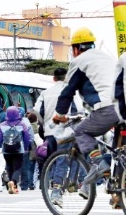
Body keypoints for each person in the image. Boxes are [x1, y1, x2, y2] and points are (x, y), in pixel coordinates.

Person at [52, 28, 120, 197]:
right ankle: (118, 193)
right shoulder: (108, 58)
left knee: (81, 131)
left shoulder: (79, 61)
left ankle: (100, 164)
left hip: (108, 109)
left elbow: (68, 91)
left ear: (76, 49)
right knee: (118, 152)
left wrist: (59, 114)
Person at [34, 67, 84, 205]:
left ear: (54, 78)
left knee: (52, 160)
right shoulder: (72, 92)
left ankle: (48, 184)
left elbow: (37, 110)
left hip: (49, 132)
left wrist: (44, 123)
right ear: (66, 78)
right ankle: (57, 191)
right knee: (62, 161)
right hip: (65, 132)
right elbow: (79, 110)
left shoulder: (45, 93)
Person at [0, 106, 30, 194]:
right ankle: (13, 182)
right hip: (18, 149)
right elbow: (27, 137)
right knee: (17, 168)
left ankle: (13, 187)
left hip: (6, 149)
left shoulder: (3, 125)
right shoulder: (21, 124)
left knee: (9, 167)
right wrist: (27, 147)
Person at [18, 107, 36, 191]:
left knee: (13, 165)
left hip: (12, 146)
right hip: (24, 147)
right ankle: (24, 185)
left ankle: (13, 183)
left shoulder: (11, 121)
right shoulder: (27, 123)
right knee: (24, 166)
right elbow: (31, 137)